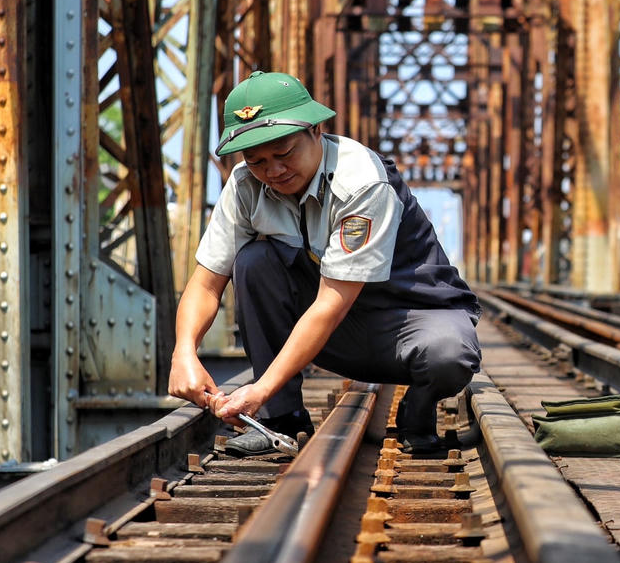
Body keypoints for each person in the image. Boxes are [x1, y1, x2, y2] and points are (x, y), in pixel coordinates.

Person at [168, 70, 482, 456]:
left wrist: (259, 387)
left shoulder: (362, 182)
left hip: (404, 323)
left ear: (317, 130)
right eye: (257, 159)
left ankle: (418, 410)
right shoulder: (246, 185)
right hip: (335, 332)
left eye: (284, 153)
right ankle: (279, 419)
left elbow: (331, 304)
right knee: (253, 261)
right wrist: (184, 352)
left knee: (449, 354)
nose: (273, 170)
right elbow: (205, 283)